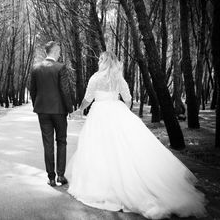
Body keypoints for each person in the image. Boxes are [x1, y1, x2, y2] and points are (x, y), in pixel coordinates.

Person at [67, 51, 207, 219]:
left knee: (100, 149)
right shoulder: (119, 78)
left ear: (102, 62)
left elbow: (88, 98)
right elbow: (127, 98)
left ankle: (104, 184)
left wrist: (80, 110)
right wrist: (123, 113)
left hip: (99, 114)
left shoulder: (95, 78)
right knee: (125, 149)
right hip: (117, 111)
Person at [29, 41, 74, 187]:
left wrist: (37, 105)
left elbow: (33, 90)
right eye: (59, 51)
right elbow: (65, 90)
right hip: (59, 111)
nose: (60, 53)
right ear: (54, 51)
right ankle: (61, 175)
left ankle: (51, 178)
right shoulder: (60, 68)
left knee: (47, 144)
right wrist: (70, 109)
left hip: (43, 111)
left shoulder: (36, 68)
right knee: (61, 141)